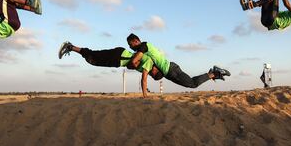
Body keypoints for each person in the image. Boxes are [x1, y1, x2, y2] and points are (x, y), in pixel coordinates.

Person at [59, 40, 229, 98]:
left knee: (93, 60)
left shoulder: (149, 59)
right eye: (156, 75)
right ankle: (214, 73)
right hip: (119, 57)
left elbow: (139, 68)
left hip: (120, 60)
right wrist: (145, 94)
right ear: (156, 70)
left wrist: (134, 64)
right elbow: (143, 75)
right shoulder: (148, 61)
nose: (155, 74)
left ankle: (214, 74)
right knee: (93, 58)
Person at [126, 33, 231, 97]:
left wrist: (130, 64)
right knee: (191, 83)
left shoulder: (143, 46)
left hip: (171, 70)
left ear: (136, 41)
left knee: (193, 83)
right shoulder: (145, 48)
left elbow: (134, 61)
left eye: (131, 45)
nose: (130, 48)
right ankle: (214, 74)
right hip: (170, 72)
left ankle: (214, 73)